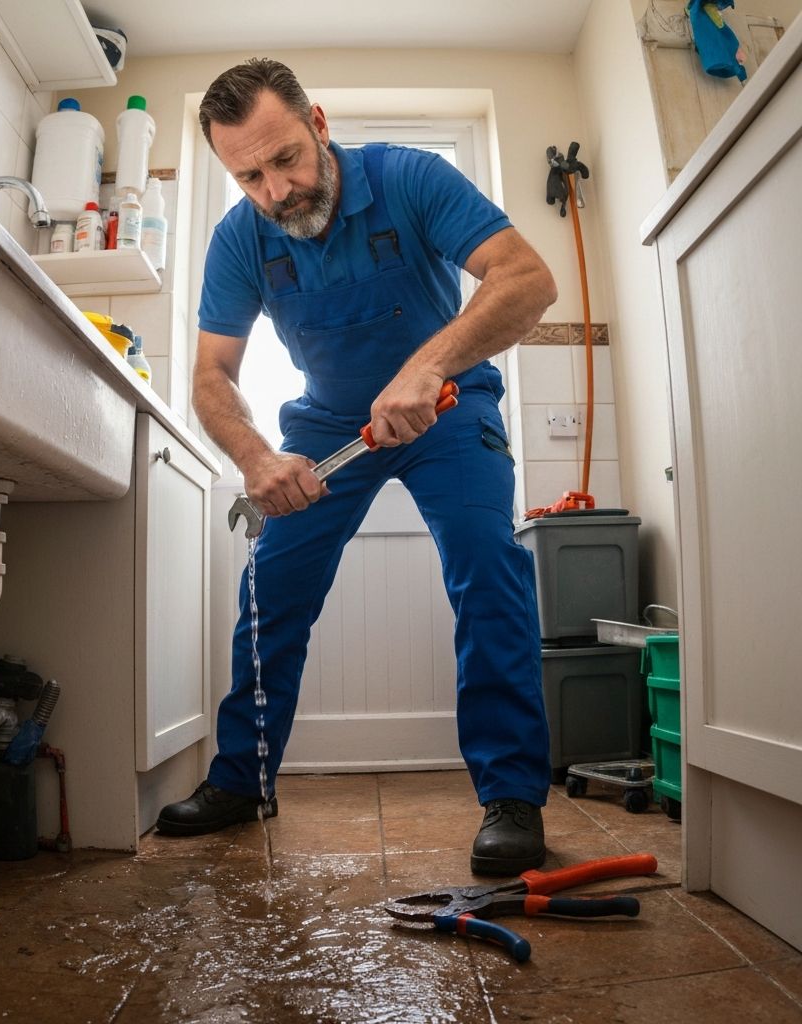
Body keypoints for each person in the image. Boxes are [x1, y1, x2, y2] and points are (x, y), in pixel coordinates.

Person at [156, 58, 557, 875]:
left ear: (321, 125)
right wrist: (259, 456)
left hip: (447, 405)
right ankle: (242, 780)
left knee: (487, 566)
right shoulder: (240, 239)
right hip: (330, 423)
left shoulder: (411, 178)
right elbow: (211, 377)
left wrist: (431, 364)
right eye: (250, 176)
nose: (276, 191)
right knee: (273, 584)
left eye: (287, 160)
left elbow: (527, 279)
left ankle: (511, 795)